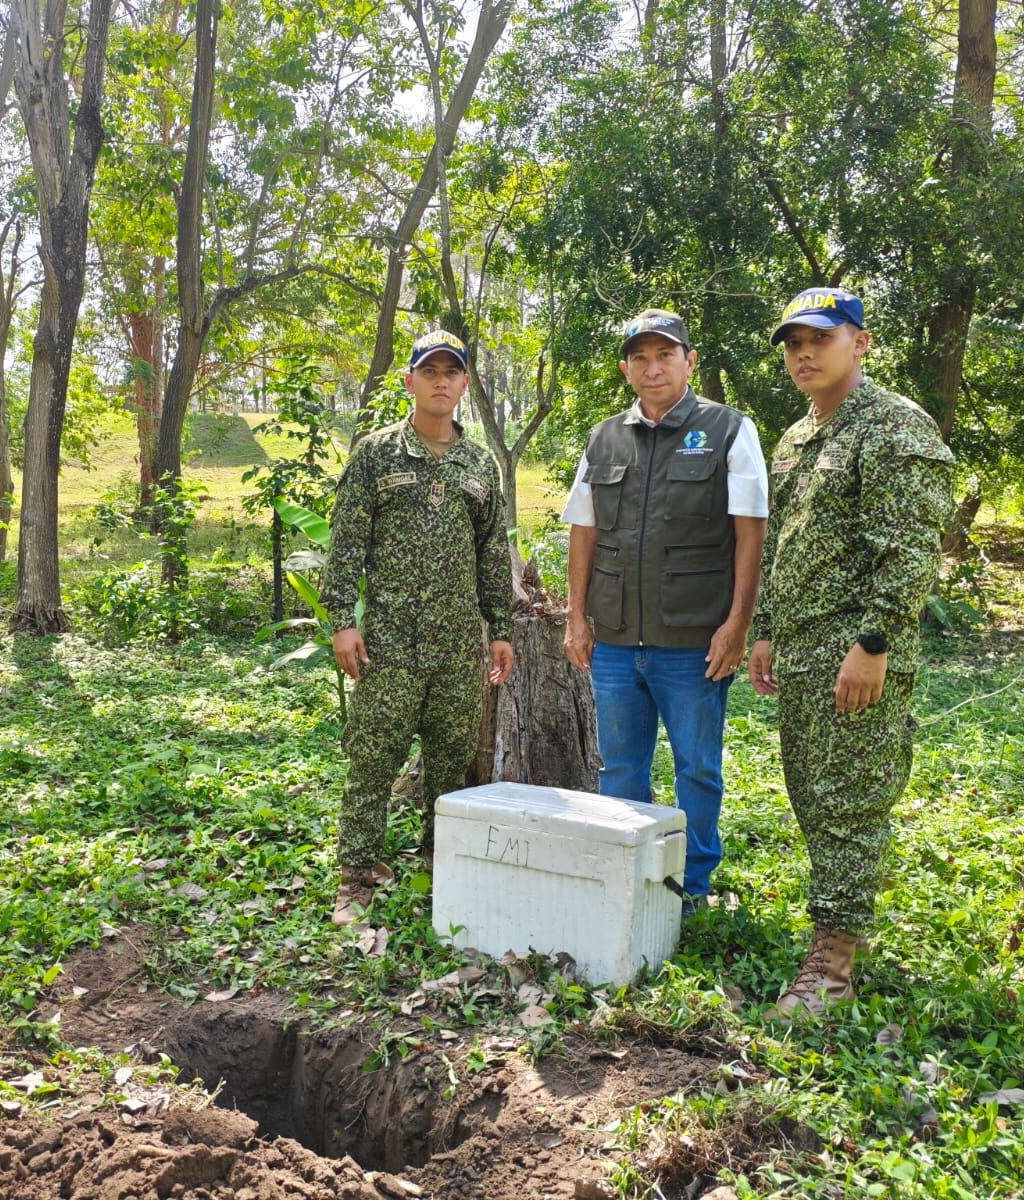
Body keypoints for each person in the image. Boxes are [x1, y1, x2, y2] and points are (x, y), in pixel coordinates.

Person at [747, 286, 954, 1019]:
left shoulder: (893, 427)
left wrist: (874, 644)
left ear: (860, 344)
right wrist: (765, 627)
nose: (804, 353)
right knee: (812, 795)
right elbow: (785, 545)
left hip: (856, 653)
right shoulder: (798, 436)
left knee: (848, 803)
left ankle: (832, 967)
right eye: (794, 342)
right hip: (802, 652)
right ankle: (840, 928)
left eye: (821, 339)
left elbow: (909, 552)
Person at [561, 309, 769, 910]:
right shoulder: (604, 438)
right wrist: (577, 618)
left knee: (696, 770)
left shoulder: (728, 430)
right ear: (627, 367)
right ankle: (624, 879)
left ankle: (691, 886)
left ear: (689, 361)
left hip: (693, 641)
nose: (653, 369)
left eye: (666, 355)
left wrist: (737, 624)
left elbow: (751, 533)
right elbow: (584, 529)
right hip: (617, 641)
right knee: (619, 769)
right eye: (641, 358)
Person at [323, 330, 515, 926]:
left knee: (450, 762)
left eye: (451, 372)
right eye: (428, 370)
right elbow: (348, 540)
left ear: (463, 384)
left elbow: (491, 552)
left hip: (459, 646)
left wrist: (501, 627)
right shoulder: (377, 454)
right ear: (409, 381)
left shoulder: (480, 463)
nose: (440, 380)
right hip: (387, 645)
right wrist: (340, 623)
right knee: (373, 759)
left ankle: (441, 862)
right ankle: (355, 875)